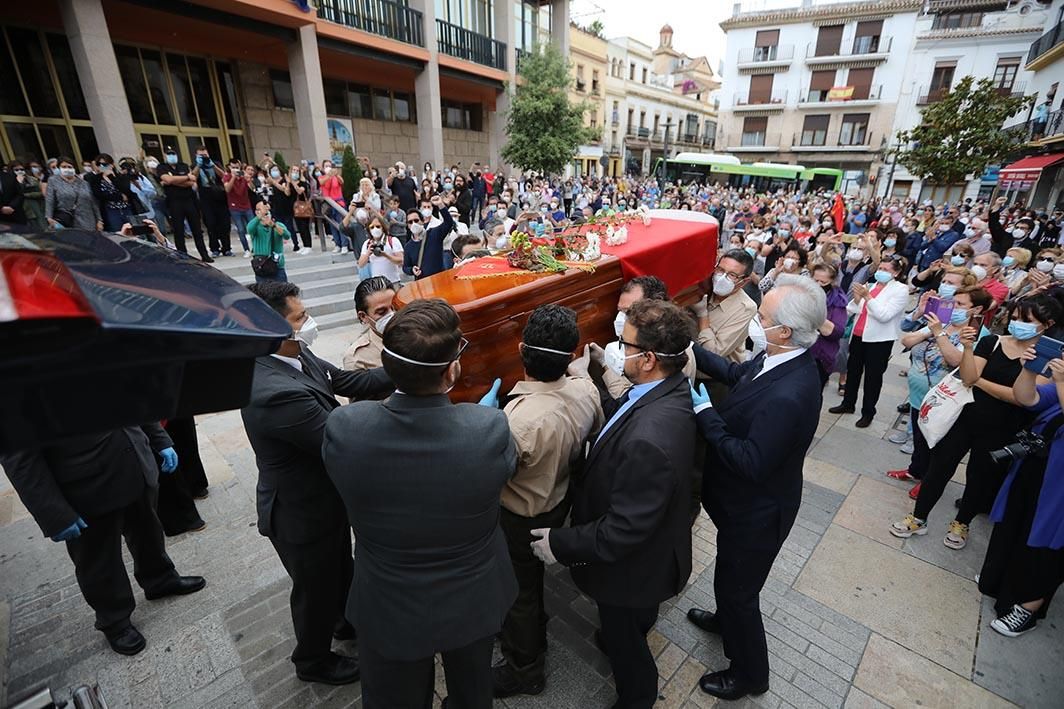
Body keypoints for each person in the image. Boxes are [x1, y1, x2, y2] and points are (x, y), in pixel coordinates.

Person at [322, 298, 518, 709]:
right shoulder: (487, 428)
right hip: (473, 595)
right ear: (452, 370)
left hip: (389, 600)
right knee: (472, 692)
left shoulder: (345, 428)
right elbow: (505, 470)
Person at [533, 299, 696, 709]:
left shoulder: (650, 438)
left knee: (626, 643)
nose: (616, 349)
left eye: (624, 344)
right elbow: (623, 415)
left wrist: (560, 543)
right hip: (654, 548)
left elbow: (623, 530)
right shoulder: (666, 392)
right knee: (626, 626)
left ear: (649, 359)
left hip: (632, 570)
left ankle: (636, 698)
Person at [241, 281, 392, 685]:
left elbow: (344, 381)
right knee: (314, 590)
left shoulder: (292, 351)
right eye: (299, 318)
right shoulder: (270, 391)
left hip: (325, 500)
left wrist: (405, 367)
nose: (307, 323)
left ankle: (345, 623)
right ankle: (312, 660)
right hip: (299, 512)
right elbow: (340, 439)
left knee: (340, 568)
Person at [686, 274, 825, 700]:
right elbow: (736, 371)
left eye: (761, 317)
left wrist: (707, 414)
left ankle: (749, 674)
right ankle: (724, 619)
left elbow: (750, 461)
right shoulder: (779, 358)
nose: (754, 320)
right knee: (730, 578)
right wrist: (690, 349)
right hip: (740, 508)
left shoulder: (792, 392)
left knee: (741, 592)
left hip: (759, 512)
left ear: (783, 331)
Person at [1, 424, 206, 656]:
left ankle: (160, 579)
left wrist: (160, 439)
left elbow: (137, 399)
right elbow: (18, 455)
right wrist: (54, 513)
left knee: (148, 531)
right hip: (85, 488)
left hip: (135, 465)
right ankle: (115, 621)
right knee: (98, 560)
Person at [490, 305, 604, 698]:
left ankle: (525, 668)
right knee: (529, 584)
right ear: (572, 355)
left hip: (521, 515)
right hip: (560, 500)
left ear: (521, 350)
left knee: (519, 591)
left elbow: (494, 476)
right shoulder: (586, 389)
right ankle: (531, 629)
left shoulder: (517, 421)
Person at [891, 294, 1061, 550]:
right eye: (1014, 318)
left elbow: (1021, 398)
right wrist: (969, 348)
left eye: (1026, 320)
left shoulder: (1049, 359)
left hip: (1005, 427)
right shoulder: (992, 342)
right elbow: (968, 376)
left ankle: (962, 522)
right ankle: (919, 516)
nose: (1017, 324)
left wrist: (980, 381)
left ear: (1046, 325)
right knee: (939, 468)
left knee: (980, 476)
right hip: (965, 416)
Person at [979, 349, 1064, 637]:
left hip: (1059, 484)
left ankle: (1028, 608)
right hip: (1036, 466)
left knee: (1047, 544)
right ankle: (1000, 581)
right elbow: (1029, 399)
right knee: (1016, 525)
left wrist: (1062, 382)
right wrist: (1029, 369)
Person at [886, 287, 991, 498]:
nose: (955, 308)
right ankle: (916, 470)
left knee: (937, 443)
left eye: (961, 305)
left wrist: (937, 334)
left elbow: (956, 361)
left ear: (976, 309)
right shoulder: (943, 323)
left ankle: (928, 482)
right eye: (954, 303)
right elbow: (906, 340)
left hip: (944, 399)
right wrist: (933, 329)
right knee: (919, 437)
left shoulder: (978, 334)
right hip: (919, 396)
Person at [829, 257, 909, 427]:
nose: (881, 271)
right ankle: (848, 403)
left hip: (879, 339)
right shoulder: (871, 286)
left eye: (887, 269)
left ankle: (868, 412)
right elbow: (854, 309)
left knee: (873, 377)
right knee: (853, 370)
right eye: (880, 268)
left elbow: (884, 315)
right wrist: (859, 299)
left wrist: (868, 298)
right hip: (859, 334)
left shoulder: (900, 290)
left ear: (896, 273)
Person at [691, 248, 759, 364]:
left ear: (743, 282)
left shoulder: (746, 308)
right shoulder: (704, 287)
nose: (721, 278)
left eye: (732, 275)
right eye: (720, 270)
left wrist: (702, 315)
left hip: (712, 376)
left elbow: (714, 353)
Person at [156, 147, 212, 262]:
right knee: (179, 230)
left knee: (197, 229)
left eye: (173, 153)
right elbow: (168, 180)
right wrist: (185, 178)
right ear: (165, 155)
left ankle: (204, 254)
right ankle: (183, 255)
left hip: (189, 200)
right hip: (174, 202)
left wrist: (174, 181)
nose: (171, 156)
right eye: (169, 154)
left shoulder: (183, 165)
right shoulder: (162, 167)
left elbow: (192, 182)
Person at [343, 276, 394, 372]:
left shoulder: (418, 333)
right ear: (363, 316)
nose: (392, 314)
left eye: (395, 307)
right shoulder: (357, 359)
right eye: (381, 312)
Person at [810, 263, 849, 388]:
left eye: (823, 281)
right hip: (800, 350)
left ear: (831, 281)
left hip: (821, 354)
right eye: (815, 280)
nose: (819, 285)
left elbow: (838, 331)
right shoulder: (803, 293)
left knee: (814, 392)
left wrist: (817, 316)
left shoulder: (837, 301)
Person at [402, 194, 454, 280]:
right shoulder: (408, 246)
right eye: (410, 222)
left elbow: (449, 223)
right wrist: (412, 270)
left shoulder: (434, 233)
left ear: (422, 221)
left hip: (439, 280)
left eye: (416, 220)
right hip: (422, 283)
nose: (414, 224)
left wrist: (440, 205)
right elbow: (405, 267)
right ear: (407, 225)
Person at [191, 146, 231, 257]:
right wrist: (199, 165)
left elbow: (223, 176)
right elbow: (193, 177)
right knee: (210, 223)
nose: (203, 157)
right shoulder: (195, 166)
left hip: (219, 196)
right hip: (205, 198)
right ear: (196, 156)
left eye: (205, 155)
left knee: (224, 224)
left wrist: (212, 165)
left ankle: (226, 247)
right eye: (201, 155)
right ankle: (215, 248)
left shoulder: (215, 163)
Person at [45, 156, 102, 231]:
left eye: (69, 166)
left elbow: (93, 201)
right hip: (67, 220)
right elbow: (50, 200)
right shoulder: (53, 181)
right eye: (64, 167)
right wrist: (49, 217)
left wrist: (99, 220)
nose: (67, 168)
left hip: (88, 219)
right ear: (59, 168)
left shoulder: (83, 183)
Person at [247, 202, 291, 283]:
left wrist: (273, 225)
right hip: (261, 265)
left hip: (277, 265)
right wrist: (259, 216)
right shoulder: (255, 226)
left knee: (283, 291)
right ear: (257, 212)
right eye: (262, 209)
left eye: (267, 210)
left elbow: (287, 235)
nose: (265, 212)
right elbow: (249, 229)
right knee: (264, 293)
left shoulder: (278, 224)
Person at [357, 214, 404, 284]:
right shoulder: (367, 244)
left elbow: (400, 260)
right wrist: (368, 253)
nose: (375, 229)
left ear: (383, 227)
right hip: (377, 284)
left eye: (378, 226)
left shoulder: (392, 240)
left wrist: (386, 255)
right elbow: (361, 264)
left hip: (393, 282)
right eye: (372, 227)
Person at [224, 159, 254, 257]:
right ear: (229, 167)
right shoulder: (226, 176)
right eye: (233, 167)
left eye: (237, 167)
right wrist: (233, 177)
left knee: (253, 227)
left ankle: (256, 247)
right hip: (235, 207)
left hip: (247, 206)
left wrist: (248, 179)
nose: (235, 169)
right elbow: (227, 189)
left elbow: (253, 188)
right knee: (241, 229)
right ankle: (246, 249)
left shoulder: (244, 177)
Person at [0, 162, 27, 226]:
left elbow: (19, 194)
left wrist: (12, 206)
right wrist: (1, 208)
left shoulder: (9, 176)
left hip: (16, 215)